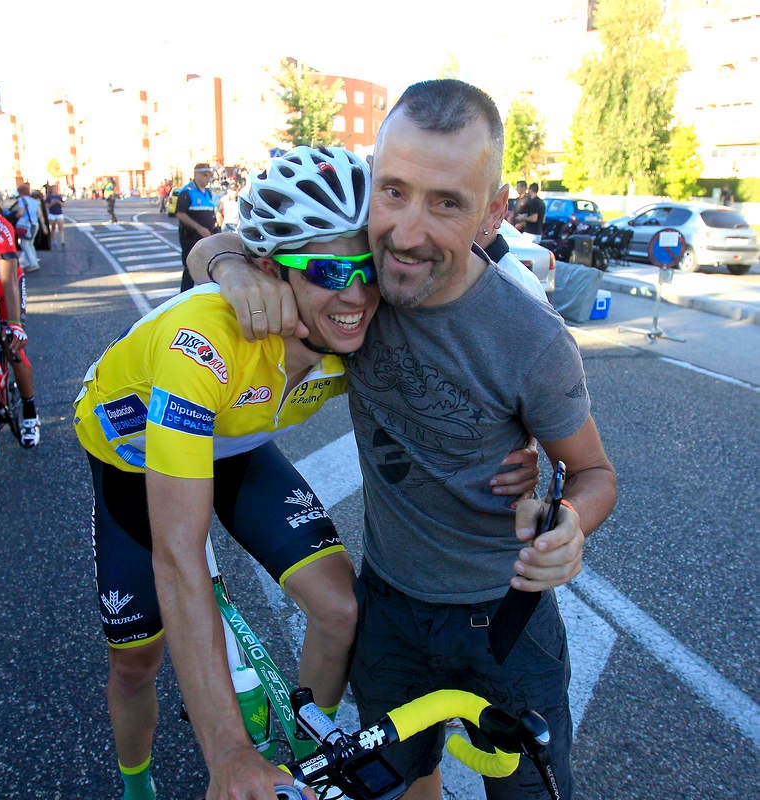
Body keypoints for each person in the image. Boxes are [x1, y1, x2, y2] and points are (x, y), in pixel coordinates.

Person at [191, 79, 617, 800]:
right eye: (393, 192)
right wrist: (228, 266)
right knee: (403, 787)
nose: (407, 233)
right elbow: (241, 244)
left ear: (493, 212)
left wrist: (571, 522)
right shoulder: (359, 286)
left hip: (506, 620)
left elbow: (595, 471)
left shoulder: (533, 340)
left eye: (446, 202)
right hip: (389, 611)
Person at [75, 145, 519, 800]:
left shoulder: (366, 327)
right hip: (133, 458)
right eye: (324, 270)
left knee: (341, 608)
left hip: (237, 446)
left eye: (367, 267)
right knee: (137, 661)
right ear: (269, 271)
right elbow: (178, 557)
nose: (356, 295)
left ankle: (306, 762)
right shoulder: (204, 346)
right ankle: (137, 783)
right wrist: (225, 752)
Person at [0, 208, 41, 447]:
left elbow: (9, 279)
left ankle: (30, 412)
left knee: (12, 344)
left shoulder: (0, 227)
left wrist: (14, 324)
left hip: (6, 286)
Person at [475, 185, 546, 301]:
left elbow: (534, 218)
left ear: (496, 210)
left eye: (449, 204)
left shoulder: (518, 284)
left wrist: (522, 219)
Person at [176, 163, 217, 292]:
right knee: (190, 269)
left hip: (207, 238)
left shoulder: (208, 193)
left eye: (209, 175)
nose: (207, 178)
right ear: (196, 174)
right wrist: (199, 228)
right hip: (190, 238)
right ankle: (184, 298)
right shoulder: (187, 192)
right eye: (204, 175)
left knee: (208, 267)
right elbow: (180, 213)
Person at [14, 183, 48, 273]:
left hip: (25, 225)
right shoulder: (34, 201)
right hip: (34, 224)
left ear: (20, 192)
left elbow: (21, 212)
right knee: (30, 243)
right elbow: (40, 215)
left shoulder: (21, 200)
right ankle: (33, 260)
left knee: (24, 244)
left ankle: (33, 264)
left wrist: (15, 216)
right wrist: (44, 227)